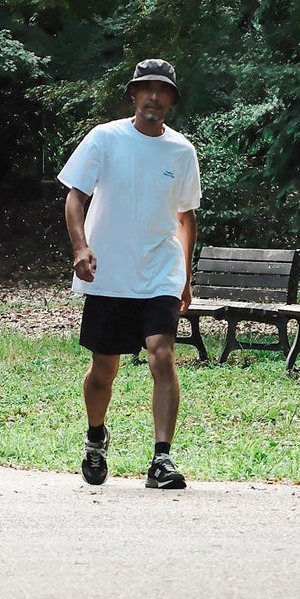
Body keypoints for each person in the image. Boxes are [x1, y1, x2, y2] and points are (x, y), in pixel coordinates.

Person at [58, 58, 201, 489]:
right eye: (146, 89)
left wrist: (186, 276)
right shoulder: (105, 139)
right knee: (105, 368)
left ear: (172, 100)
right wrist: (81, 247)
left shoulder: (181, 151)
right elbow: (74, 198)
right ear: (134, 95)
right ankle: (96, 438)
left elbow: (186, 217)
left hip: (159, 269)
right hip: (110, 272)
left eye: (163, 90)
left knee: (162, 354)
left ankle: (161, 459)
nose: (154, 97)